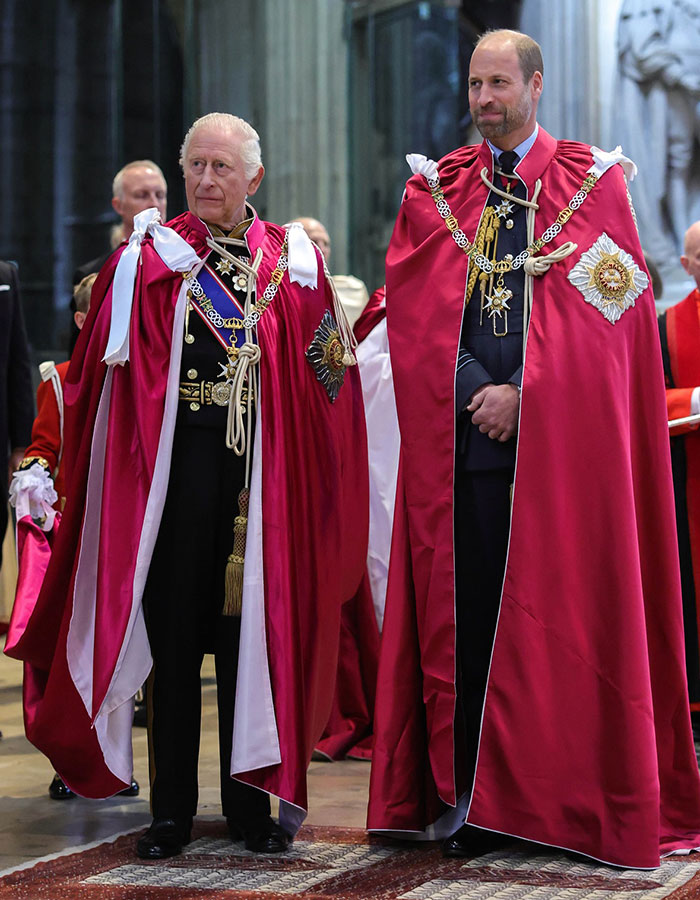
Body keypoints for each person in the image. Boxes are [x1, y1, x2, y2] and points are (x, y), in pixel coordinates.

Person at [367, 28, 700, 869]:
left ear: (536, 86)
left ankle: (564, 796)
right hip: (469, 443)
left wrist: (528, 394)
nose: (484, 100)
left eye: (499, 84)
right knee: (473, 623)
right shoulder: (440, 191)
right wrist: (481, 385)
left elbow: (611, 314)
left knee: (561, 621)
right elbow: (415, 309)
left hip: (563, 457)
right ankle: (479, 802)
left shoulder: (595, 186)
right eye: (475, 84)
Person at [5, 113, 367, 861]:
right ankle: (170, 811)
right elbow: (102, 381)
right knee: (173, 653)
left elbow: (331, 378)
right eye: (195, 165)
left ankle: (248, 809)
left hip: (260, 490)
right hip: (171, 485)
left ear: (253, 179)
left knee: (247, 649)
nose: (205, 180)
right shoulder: (148, 258)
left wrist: (315, 473)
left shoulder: (291, 264)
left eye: (221, 168)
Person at [7, 274, 140, 801]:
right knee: (69, 660)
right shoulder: (59, 381)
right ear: (84, 320)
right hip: (72, 544)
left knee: (118, 659)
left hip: (121, 544)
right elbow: (43, 448)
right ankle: (70, 764)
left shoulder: (133, 376)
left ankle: (118, 764)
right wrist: (33, 481)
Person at [659, 220, 700, 732]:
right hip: (691, 481)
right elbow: (646, 399)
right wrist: (693, 399)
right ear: (687, 266)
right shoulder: (667, 325)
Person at [291, 217, 369, 328]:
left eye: (326, 244)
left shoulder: (353, 291)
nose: (322, 249)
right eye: (313, 242)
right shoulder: (277, 292)